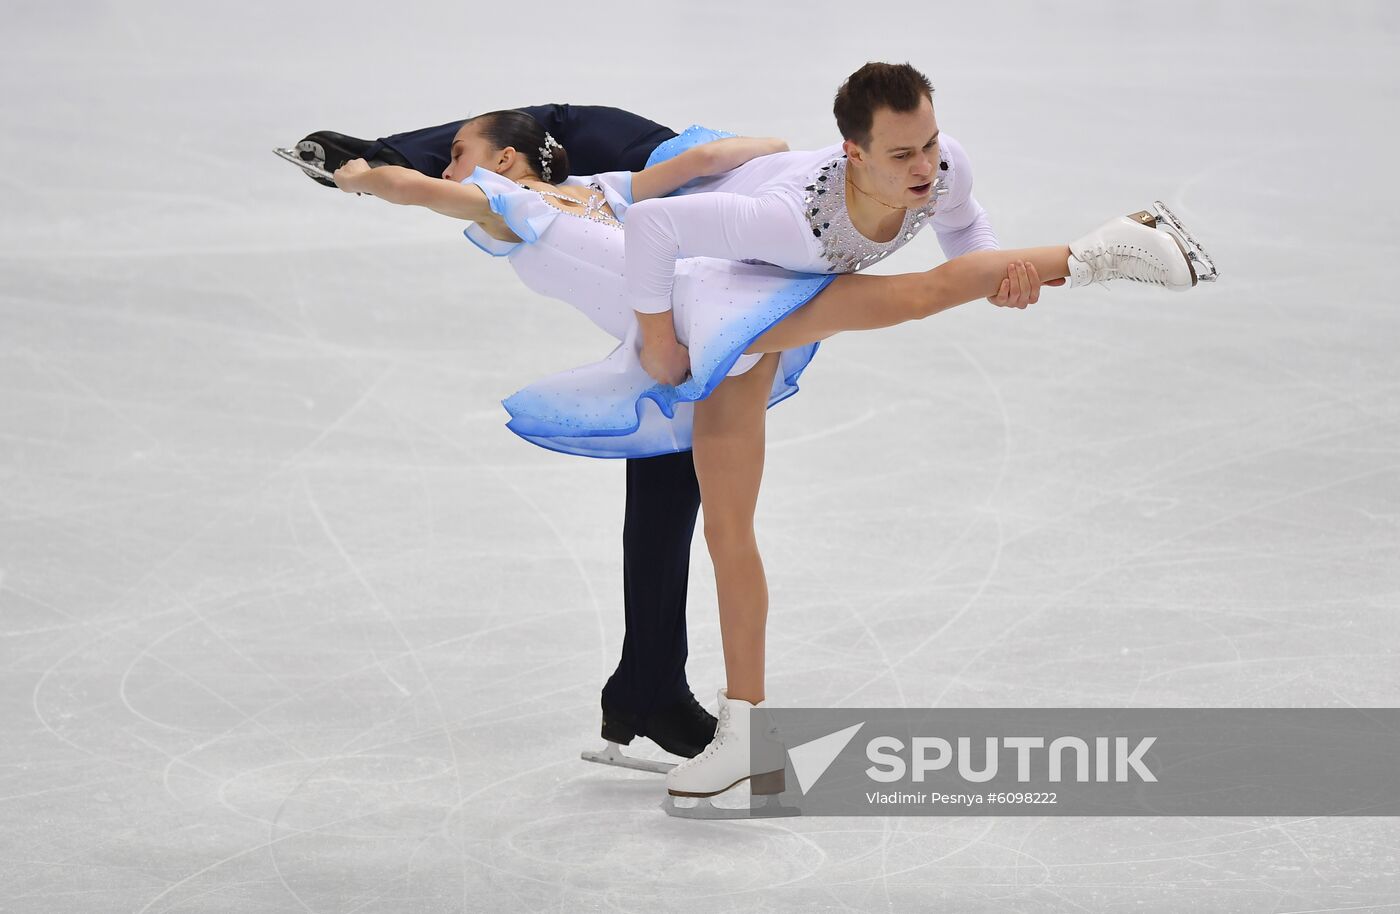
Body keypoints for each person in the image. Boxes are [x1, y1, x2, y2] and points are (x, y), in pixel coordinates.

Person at [330, 94, 1212, 807]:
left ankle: (1102, 250)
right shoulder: (606, 188)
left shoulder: (509, 200)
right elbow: (713, 157)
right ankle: (743, 737)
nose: (451, 167)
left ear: (512, 160)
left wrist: (367, 174)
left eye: (461, 152)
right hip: (716, 325)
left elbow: (430, 193)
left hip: (713, 311)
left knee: (909, 299)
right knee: (729, 532)